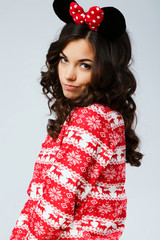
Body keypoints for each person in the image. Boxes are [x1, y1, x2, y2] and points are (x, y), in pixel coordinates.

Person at [10, 0, 143, 239]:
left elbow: (55, 206)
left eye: (84, 65)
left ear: (107, 68)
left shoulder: (91, 119)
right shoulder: (96, 116)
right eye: (64, 59)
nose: (69, 74)